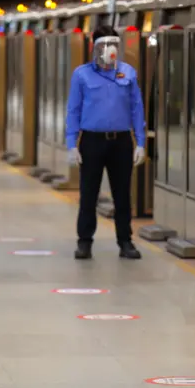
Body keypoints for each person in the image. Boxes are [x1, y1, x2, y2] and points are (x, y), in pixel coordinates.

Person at [66, 25, 146, 260]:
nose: (109, 50)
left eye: (113, 45)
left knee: (122, 194)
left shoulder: (128, 73)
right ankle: (84, 241)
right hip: (92, 141)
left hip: (121, 142)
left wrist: (140, 142)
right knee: (88, 193)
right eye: (104, 45)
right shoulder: (82, 75)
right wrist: (71, 144)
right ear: (95, 47)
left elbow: (136, 108)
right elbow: (74, 110)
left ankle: (125, 241)